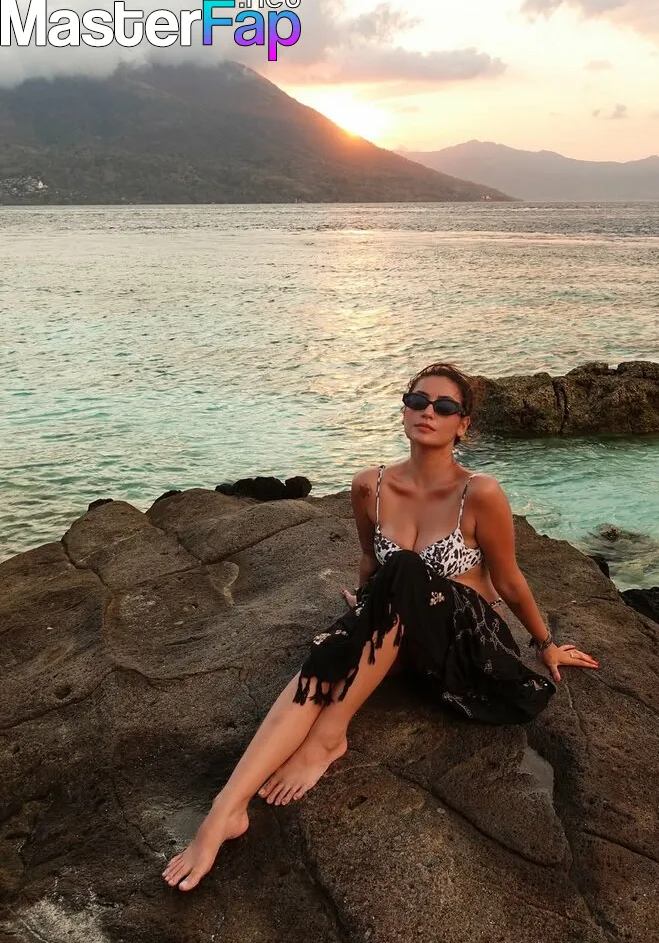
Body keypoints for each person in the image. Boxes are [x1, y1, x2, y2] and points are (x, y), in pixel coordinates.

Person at [162, 362, 600, 892]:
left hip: (461, 640)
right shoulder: (368, 486)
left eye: (444, 407)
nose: (428, 413)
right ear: (404, 410)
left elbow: (507, 579)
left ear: (463, 424)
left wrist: (546, 643)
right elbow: (371, 562)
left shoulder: (480, 492)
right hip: (396, 637)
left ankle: (329, 736)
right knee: (326, 659)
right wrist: (365, 609)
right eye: (418, 401)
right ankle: (225, 811)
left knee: (405, 570)